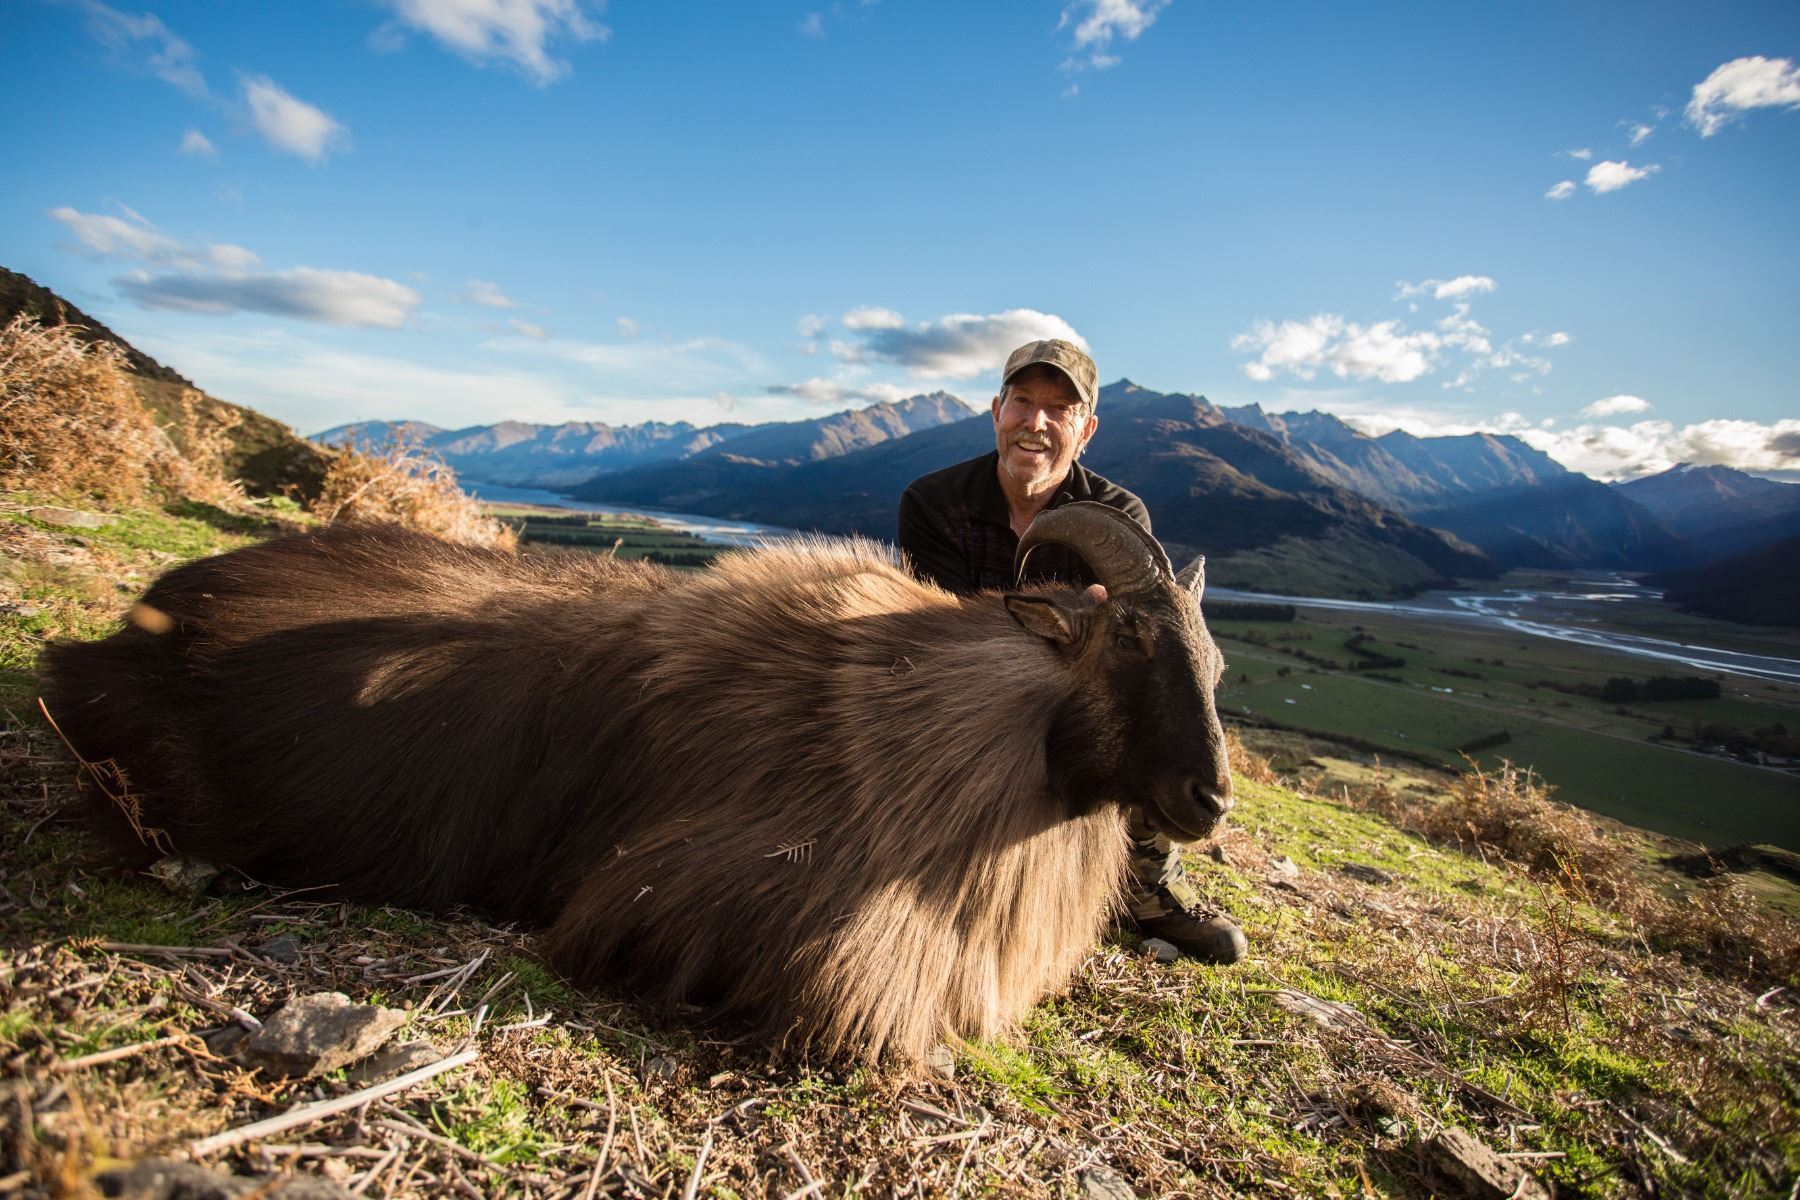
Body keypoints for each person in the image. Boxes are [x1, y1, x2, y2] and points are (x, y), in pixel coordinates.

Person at [896, 338, 1248, 965]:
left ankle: (1147, 881)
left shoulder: (1118, 515)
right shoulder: (934, 501)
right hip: (961, 693)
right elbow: (937, 629)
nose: (1036, 422)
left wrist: (1103, 632)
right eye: (1023, 401)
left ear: (1086, 430)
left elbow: (1145, 628)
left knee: (1136, 687)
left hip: (1074, 691)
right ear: (996, 412)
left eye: (1059, 409)